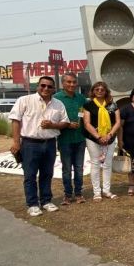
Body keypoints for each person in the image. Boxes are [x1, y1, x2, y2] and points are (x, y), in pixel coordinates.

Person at [9, 76, 70, 217]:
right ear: (38, 86)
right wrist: (16, 142)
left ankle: (46, 201)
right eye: (43, 85)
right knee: (30, 176)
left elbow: (64, 123)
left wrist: (52, 125)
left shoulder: (58, 104)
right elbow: (15, 121)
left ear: (54, 89)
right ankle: (32, 204)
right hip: (30, 144)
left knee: (47, 174)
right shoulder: (24, 100)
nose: (46, 89)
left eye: (49, 86)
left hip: (49, 143)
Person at [83, 81, 121, 201]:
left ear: (106, 91)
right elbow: (86, 123)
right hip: (93, 139)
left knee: (107, 164)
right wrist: (98, 137)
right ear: (93, 91)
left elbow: (118, 122)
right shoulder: (88, 105)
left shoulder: (112, 105)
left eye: (102, 89)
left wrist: (109, 135)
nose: (99, 91)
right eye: (97, 89)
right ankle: (97, 192)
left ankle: (106, 190)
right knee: (95, 163)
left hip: (109, 139)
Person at [55, 72, 88, 205]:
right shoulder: (56, 98)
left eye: (74, 82)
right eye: (68, 82)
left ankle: (79, 193)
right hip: (65, 140)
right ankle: (68, 195)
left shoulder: (81, 98)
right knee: (67, 169)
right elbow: (53, 118)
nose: (71, 84)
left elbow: (85, 112)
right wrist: (67, 124)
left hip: (80, 139)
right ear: (63, 83)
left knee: (79, 168)